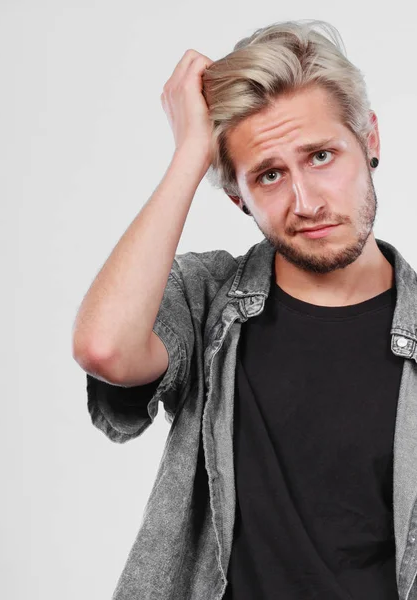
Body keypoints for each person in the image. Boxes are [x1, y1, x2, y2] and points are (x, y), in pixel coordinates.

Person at [72, 19, 417, 600]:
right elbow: (105, 347)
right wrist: (190, 154)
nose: (306, 202)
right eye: (270, 175)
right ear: (239, 198)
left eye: (322, 156)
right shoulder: (207, 298)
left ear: (372, 140)